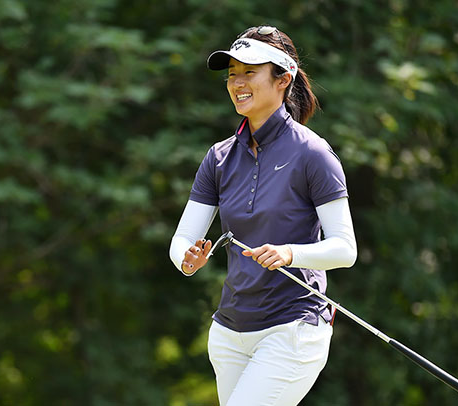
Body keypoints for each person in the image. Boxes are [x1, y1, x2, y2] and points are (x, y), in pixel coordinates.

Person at [169, 26, 357, 406]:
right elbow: (182, 240)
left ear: (283, 79)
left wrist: (290, 253)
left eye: (249, 72)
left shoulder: (313, 154)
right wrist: (186, 260)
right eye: (232, 73)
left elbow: (345, 249)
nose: (237, 83)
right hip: (229, 333)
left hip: (292, 329)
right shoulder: (219, 158)